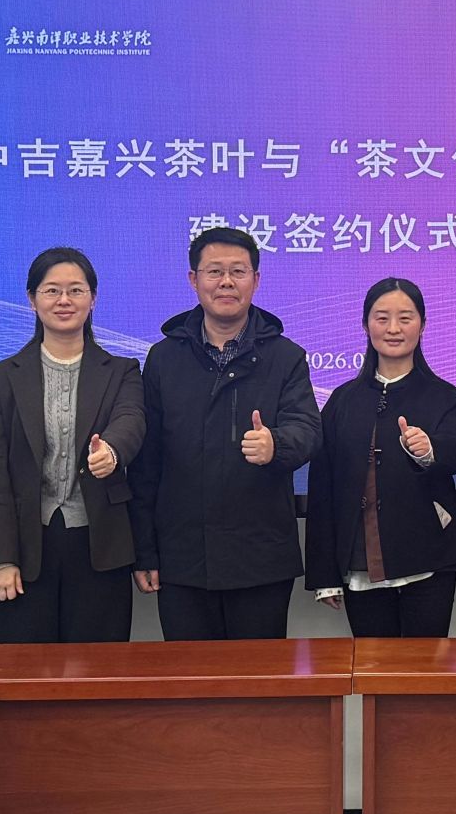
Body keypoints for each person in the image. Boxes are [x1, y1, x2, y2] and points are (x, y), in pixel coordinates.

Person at [129, 227, 320, 640]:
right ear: (193, 279)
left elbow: (307, 429)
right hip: (183, 559)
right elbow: (147, 463)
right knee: (190, 678)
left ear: (256, 279)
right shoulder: (163, 358)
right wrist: (145, 550)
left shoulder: (286, 357)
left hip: (260, 559)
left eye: (238, 271)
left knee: (259, 677)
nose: (226, 282)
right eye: (214, 271)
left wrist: (276, 444)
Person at [0, 247, 146, 643]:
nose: (64, 300)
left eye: (75, 290)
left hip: (100, 547)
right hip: (23, 548)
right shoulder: (2, 378)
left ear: (92, 299)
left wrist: (112, 451)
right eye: (51, 290)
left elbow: (131, 420)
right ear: (32, 300)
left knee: (97, 671)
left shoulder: (122, 371)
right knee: (22, 671)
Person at [305, 278, 456, 636]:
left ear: (422, 325)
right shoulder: (341, 402)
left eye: (405, 318)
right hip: (359, 561)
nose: (393, 328)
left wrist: (430, 450)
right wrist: (324, 575)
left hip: (428, 560)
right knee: (373, 667)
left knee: (425, 668)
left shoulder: (444, 396)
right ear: (366, 325)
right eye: (382, 318)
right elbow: (323, 489)